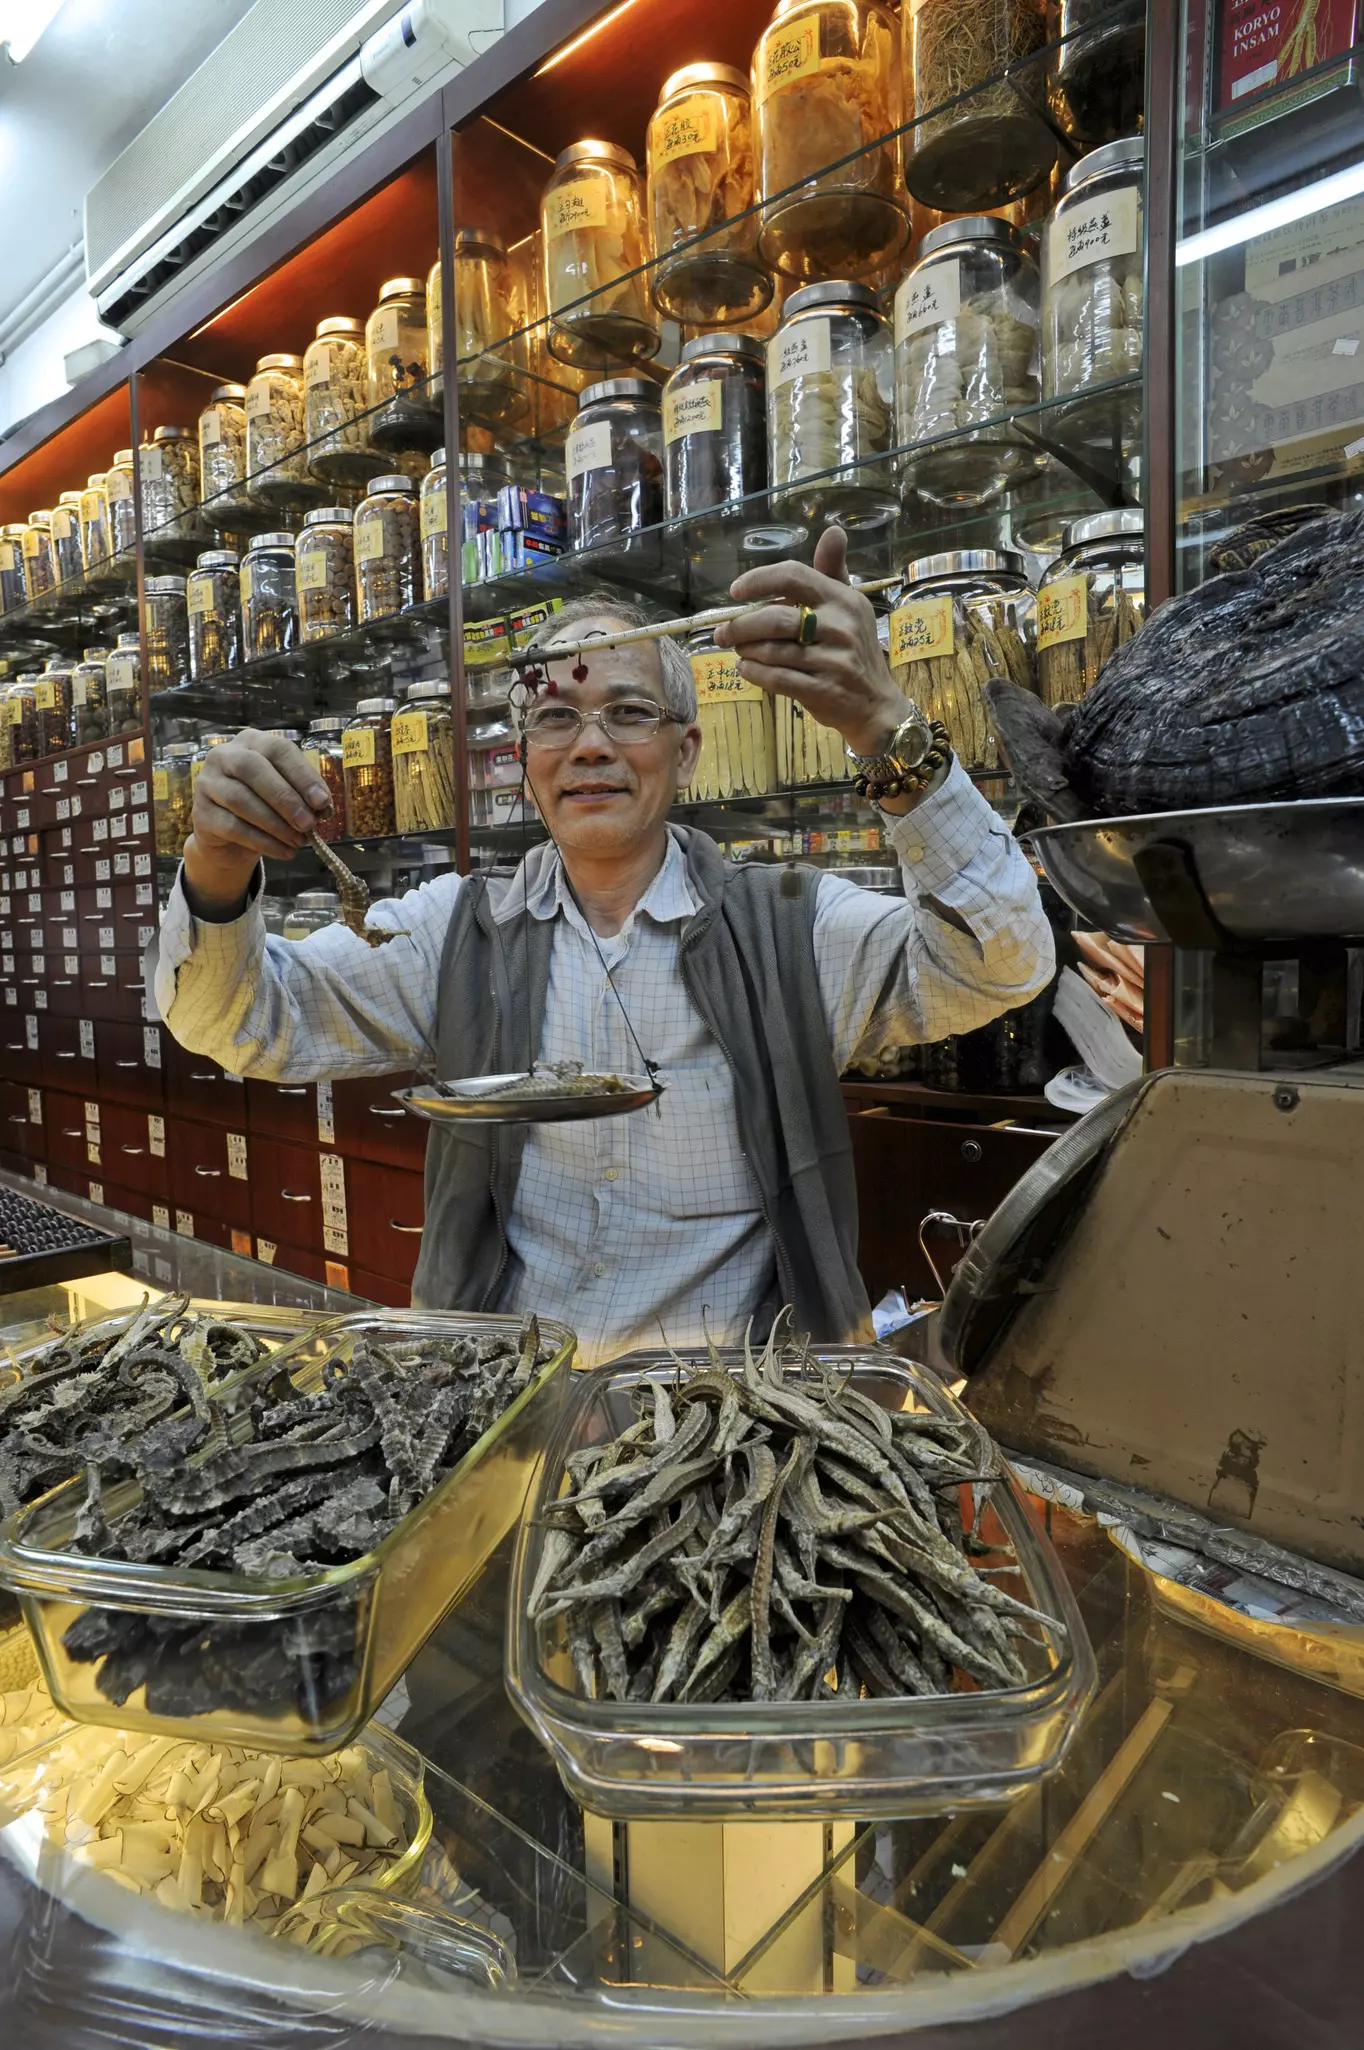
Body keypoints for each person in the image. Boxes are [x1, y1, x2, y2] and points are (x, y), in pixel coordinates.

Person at [154, 533, 1053, 1362]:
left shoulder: (791, 928)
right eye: (556, 719)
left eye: (629, 712)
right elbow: (243, 1022)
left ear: (687, 750)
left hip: (732, 1420)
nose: (589, 746)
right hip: (506, 1399)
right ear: (523, 757)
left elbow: (997, 964)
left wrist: (887, 730)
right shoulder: (455, 933)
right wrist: (218, 858)